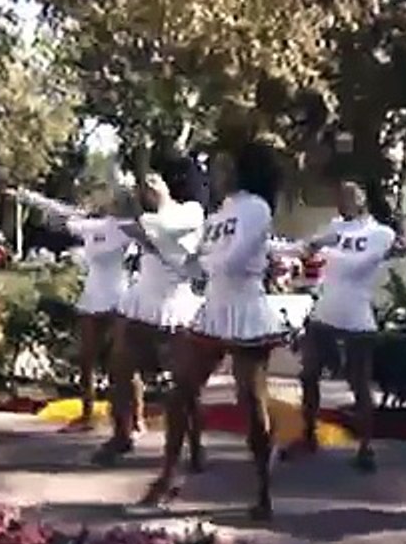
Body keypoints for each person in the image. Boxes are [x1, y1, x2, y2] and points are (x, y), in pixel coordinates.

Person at [140, 141, 288, 521]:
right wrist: (167, 251)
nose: (215, 175)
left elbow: (233, 260)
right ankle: (168, 475)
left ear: (241, 171)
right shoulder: (216, 214)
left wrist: (202, 261)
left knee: (250, 401)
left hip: (246, 310)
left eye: (223, 167)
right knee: (181, 390)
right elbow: (195, 264)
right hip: (214, 309)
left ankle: (264, 489)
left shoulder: (256, 208)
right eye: (214, 168)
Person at [92, 158, 206, 467]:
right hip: (141, 302)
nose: (149, 186)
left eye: (156, 180)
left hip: (177, 307)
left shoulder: (191, 212)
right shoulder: (146, 217)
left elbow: (161, 228)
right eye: (146, 183)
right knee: (120, 367)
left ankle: (195, 448)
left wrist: (144, 214)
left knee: (185, 384)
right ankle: (122, 435)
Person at [286, 178, 398, 471]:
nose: (345, 200)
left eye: (352, 194)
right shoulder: (333, 228)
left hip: (357, 316)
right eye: (341, 194)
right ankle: (308, 434)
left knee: (358, 382)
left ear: (364, 198)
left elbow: (358, 266)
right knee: (308, 374)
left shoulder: (381, 233)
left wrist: (325, 249)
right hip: (325, 311)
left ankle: (366, 447)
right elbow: (304, 248)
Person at [21, 188, 138, 433]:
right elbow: (60, 213)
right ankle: (87, 415)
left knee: (123, 362)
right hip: (92, 298)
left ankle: (136, 418)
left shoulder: (128, 228)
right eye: (110, 200)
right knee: (86, 360)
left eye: (116, 201)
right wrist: (27, 197)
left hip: (119, 299)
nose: (110, 203)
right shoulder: (92, 227)